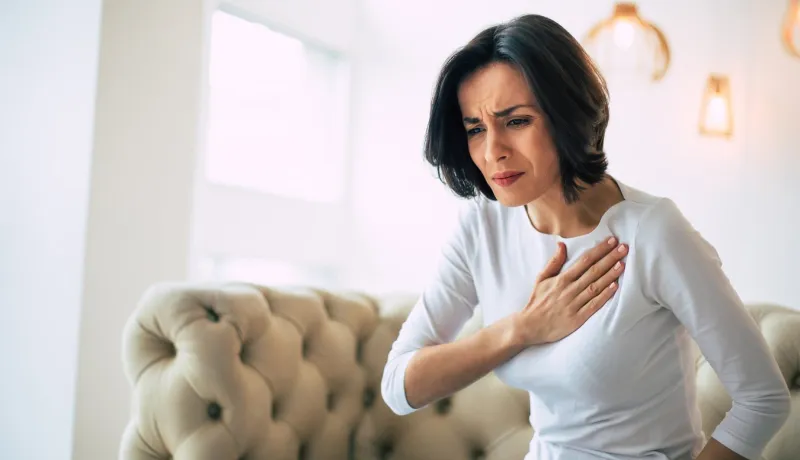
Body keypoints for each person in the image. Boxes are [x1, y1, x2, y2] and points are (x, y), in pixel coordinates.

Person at [380, 14, 790, 460]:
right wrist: (522, 329)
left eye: (515, 121)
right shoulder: (482, 227)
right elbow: (400, 387)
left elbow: (763, 398)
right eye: (475, 128)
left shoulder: (653, 232)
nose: (492, 149)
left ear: (566, 115)